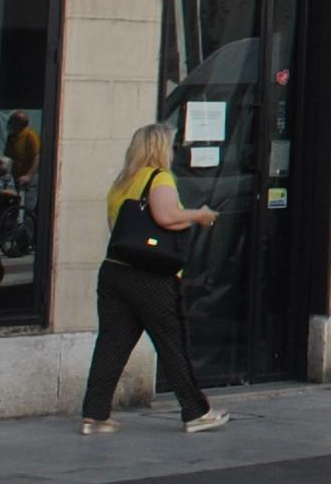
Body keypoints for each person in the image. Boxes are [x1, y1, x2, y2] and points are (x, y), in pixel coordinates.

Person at [77, 122, 225, 435]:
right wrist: (200, 215)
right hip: (151, 276)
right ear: (160, 148)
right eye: (170, 146)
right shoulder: (159, 178)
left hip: (116, 271)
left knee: (112, 344)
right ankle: (196, 412)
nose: (172, 152)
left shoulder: (123, 182)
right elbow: (167, 216)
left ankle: (95, 414)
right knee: (172, 343)